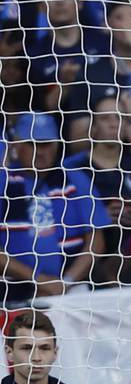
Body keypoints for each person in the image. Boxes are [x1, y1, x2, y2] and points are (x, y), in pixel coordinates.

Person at [2, 112, 107, 302]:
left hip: (70, 292)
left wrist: (65, 282)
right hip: (10, 292)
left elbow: (96, 242)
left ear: (57, 145)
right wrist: (38, 280)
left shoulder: (76, 179)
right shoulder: (3, 182)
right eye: (32, 144)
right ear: (16, 145)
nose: (41, 151)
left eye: (46, 144)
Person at [2, 308, 84, 384]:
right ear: (9, 353)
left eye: (45, 348)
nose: (36, 358)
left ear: (55, 353)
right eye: (27, 348)